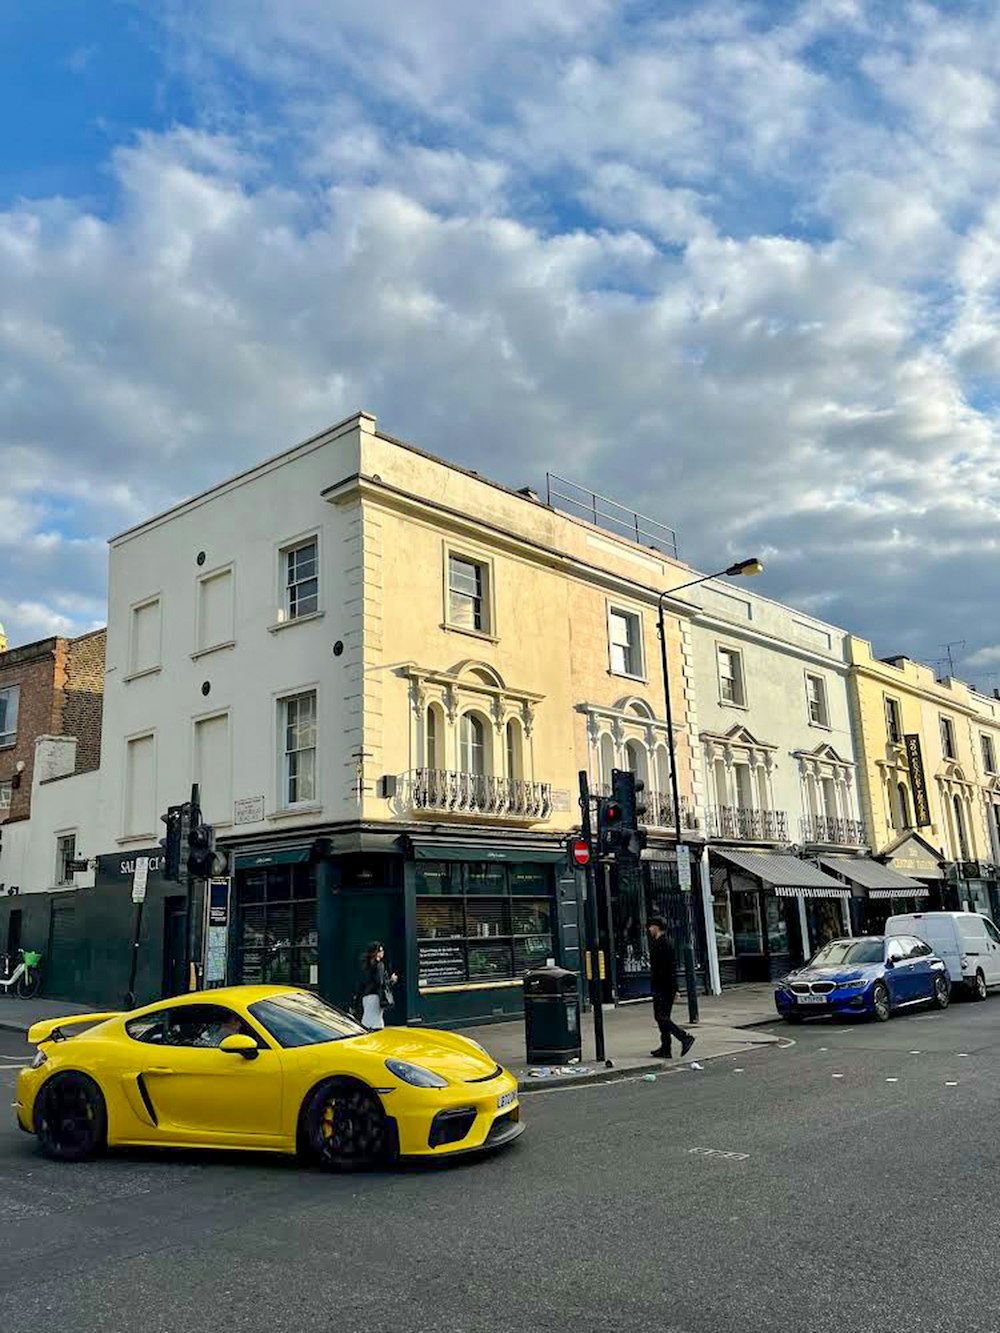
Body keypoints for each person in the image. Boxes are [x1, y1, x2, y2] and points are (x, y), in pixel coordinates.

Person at [647, 918, 696, 1059]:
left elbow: (670, 969)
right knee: (661, 1017)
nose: (649, 929)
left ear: (657, 927)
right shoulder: (658, 943)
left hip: (664, 987)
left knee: (661, 1017)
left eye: (651, 927)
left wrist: (674, 989)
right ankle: (666, 1048)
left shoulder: (665, 944)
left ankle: (685, 1037)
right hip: (659, 986)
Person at [357, 942, 398, 1031]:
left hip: (366, 997)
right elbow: (380, 982)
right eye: (381, 950)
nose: (383, 952)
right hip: (375, 996)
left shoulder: (366, 965)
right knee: (377, 1022)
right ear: (377, 952)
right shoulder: (379, 965)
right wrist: (391, 980)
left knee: (367, 1020)